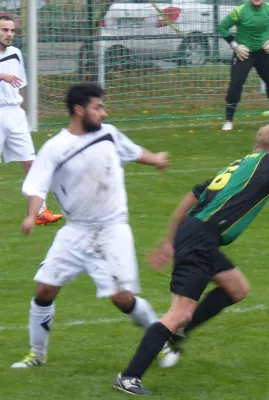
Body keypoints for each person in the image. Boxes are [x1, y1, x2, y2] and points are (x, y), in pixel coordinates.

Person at [111, 124, 269, 395]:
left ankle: (177, 334)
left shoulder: (240, 164)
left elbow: (191, 197)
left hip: (200, 237)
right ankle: (129, 377)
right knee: (180, 312)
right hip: (200, 239)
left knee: (237, 288)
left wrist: (171, 239)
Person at [11, 82, 180, 369]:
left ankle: (163, 341)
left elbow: (133, 151)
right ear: (79, 110)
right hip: (75, 231)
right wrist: (31, 215)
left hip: (112, 229)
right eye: (97, 107)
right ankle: (37, 355)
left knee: (122, 299)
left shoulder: (108, 135)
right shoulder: (55, 147)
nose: (104, 112)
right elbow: (37, 185)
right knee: (44, 290)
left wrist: (157, 159)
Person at [0, 15, 62, 224]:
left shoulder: (16, 53)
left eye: (12, 31)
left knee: (30, 161)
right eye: (4, 30)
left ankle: (40, 212)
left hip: (14, 114)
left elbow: (20, 86)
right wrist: (2, 76)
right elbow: (7, 78)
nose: (9, 34)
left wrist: (22, 110)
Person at [218, 0, 269, 132]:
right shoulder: (239, 11)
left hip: (263, 53)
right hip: (244, 53)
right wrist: (235, 46)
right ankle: (228, 121)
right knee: (235, 84)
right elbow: (223, 27)